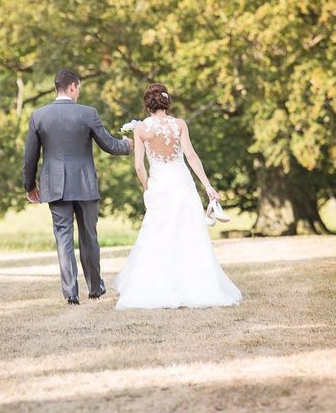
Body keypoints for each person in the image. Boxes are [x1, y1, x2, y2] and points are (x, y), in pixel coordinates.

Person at [113, 83, 242, 309]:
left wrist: (146, 187)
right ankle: (199, 285)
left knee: (157, 233)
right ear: (166, 102)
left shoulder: (142, 129)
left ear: (148, 104)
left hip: (160, 185)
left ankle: (154, 286)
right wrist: (207, 185)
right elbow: (191, 156)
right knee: (189, 232)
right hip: (182, 183)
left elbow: (139, 167)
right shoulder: (179, 124)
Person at [23, 69, 133, 305]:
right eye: (79, 88)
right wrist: (129, 144)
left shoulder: (39, 115)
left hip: (54, 186)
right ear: (72, 86)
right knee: (89, 236)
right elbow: (110, 145)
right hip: (84, 183)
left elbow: (30, 156)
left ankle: (71, 293)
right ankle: (95, 287)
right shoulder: (87, 113)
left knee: (63, 238)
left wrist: (30, 185)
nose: (78, 92)